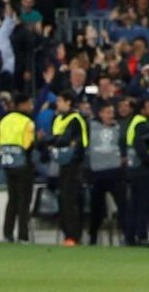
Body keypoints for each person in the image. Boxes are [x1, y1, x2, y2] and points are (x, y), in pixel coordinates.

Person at [86, 103, 127, 245]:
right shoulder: (91, 127)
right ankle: (92, 239)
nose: (111, 115)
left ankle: (129, 238)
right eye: (108, 112)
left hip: (115, 173)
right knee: (96, 209)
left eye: (112, 112)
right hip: (97, 173)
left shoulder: (119, 128)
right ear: (101, 114)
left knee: (123, 206)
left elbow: (124, 146)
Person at [124, 99, 149, 246]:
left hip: (135, 169)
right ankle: (141, 236)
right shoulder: (143, 125)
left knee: (134, 205)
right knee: (144, 205)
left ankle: (130, 237)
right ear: (142, 110)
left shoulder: (135, 122)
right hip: (144, 171)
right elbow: (138, 143)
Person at [0, 92, 36, 243]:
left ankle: (7, 234)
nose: (31, 107)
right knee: (24, 201)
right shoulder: (27, 122)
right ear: (22, 105)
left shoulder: (5, 120)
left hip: (7, 163)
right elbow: (28, 144)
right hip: (22, 164)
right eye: (29, 103)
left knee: (12, 199)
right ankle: (23, 235)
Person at [51, 90, 87, 246]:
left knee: (70, 199)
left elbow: (66, 139)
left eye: (60, 101)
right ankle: (68, 234)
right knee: (63, 198)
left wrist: (51, 141)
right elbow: (58, 139)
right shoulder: (58, 118)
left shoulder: (75, 119)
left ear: (68, 102)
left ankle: (73, 236)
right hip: (61, 162)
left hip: (74, 164)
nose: (57, 104)